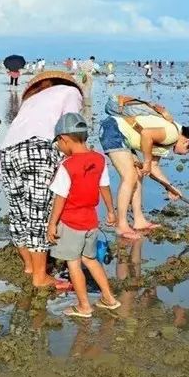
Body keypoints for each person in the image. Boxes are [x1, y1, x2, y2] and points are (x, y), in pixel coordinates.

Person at [0, 71, 83, 288]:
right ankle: (40, 277)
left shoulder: (31, 100)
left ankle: (29, 266)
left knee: (19, 213)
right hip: (38, 149)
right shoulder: (71, 91)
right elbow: (71, 128)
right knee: (38, 214)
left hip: (7, 152)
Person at [99, 97, 189, 239]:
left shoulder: (170, 141)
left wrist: (170, 187)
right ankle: (121, 225)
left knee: (138, 174)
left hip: (122, 136)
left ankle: (139, 220)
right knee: (129, 176)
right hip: (113, 129)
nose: (185, 154)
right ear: (187, 141)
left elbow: (153, 168)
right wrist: (147, 161)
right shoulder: (172, 134)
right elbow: (146, 134)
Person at [47, 112, 121, 318]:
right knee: (90, 260)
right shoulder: (98, 159)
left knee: (73, 263)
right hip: (91, 221)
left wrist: (52, 224)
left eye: (59, 144)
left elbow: (60, 198)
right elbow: (104, 185)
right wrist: (111, 211)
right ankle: (109, 298)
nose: (59, 148)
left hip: (71, 222)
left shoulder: (67, 166)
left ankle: (84, 306)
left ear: (65, 139)